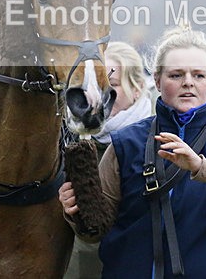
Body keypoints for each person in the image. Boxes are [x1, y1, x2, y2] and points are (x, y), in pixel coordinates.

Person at [59, 27, 206, 278]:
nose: (188, 82)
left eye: (198, 75)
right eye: (176, 75)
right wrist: (76, 212)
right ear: (156, 80)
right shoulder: (126, 143)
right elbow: (94, 231)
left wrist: (201, 168)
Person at [64, 41, 154, 279]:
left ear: (138, 88)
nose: (97, 98)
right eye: (92, 86)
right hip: (82, 263)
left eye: (111, 86)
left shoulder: (158, 136)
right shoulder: (69, 138)